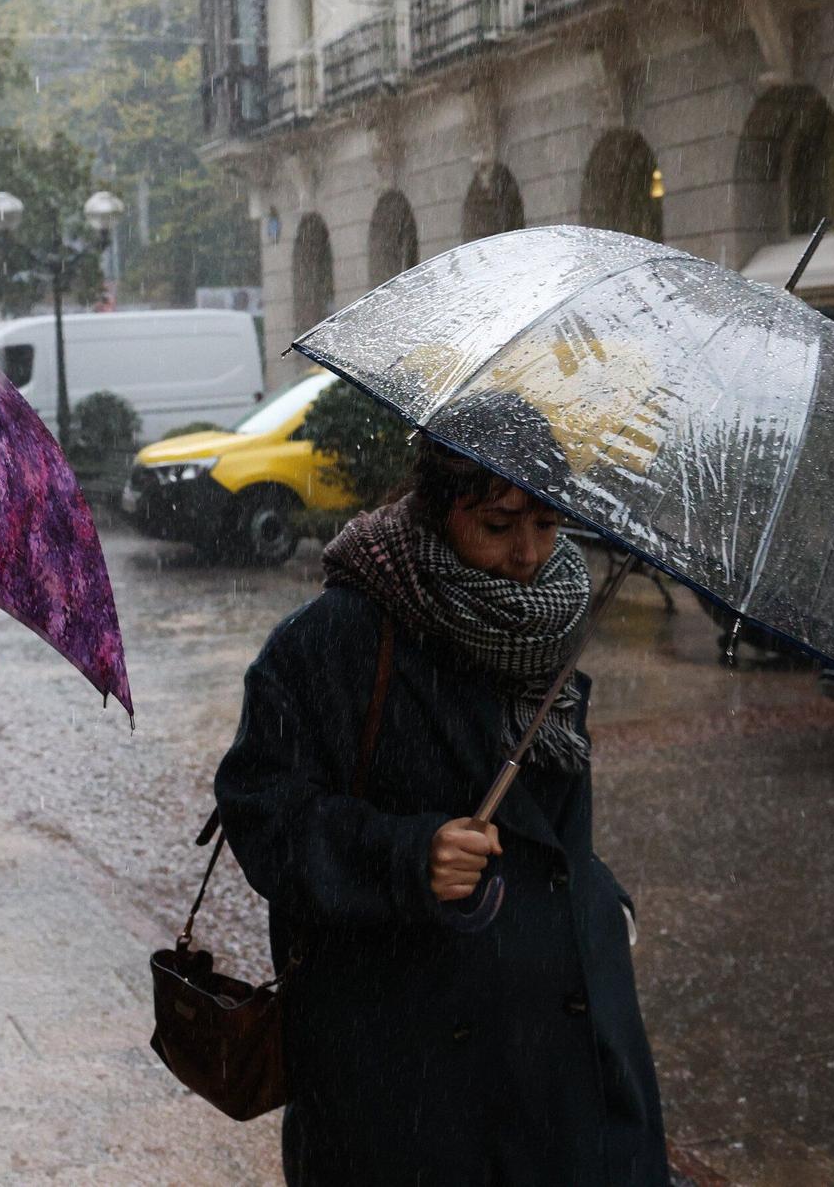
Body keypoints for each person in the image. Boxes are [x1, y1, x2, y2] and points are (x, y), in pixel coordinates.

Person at [214, 419, 668, 1186]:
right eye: (497, 525)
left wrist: (596, 903)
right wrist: (406, 855)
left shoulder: (549, 627)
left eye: (547, 523)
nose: (527, 554)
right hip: (405, 1068)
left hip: (558, 1061)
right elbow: (259, 808)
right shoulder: (336, 636)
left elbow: (555, 836)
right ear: (434, 506)